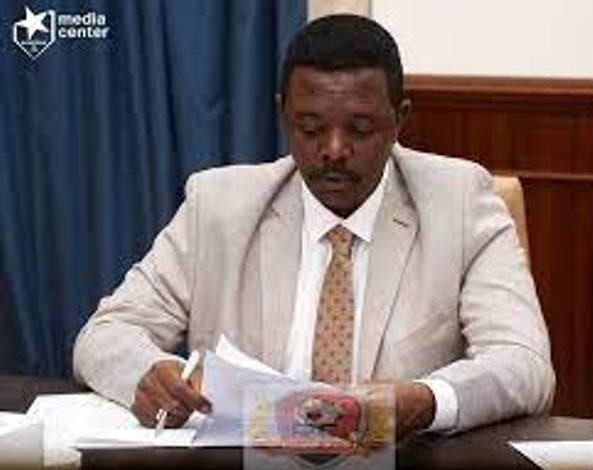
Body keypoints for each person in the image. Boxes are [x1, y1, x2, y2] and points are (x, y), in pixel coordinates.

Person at [73, 14, 555, 439]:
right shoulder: (218, 207)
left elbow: (524, 364)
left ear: (399, 120)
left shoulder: (461, 203)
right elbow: (106, 333)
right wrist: (154, 373)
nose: (334, 150)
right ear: (283, 116)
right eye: (310, 128)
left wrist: (426, 401)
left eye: (360, 129)